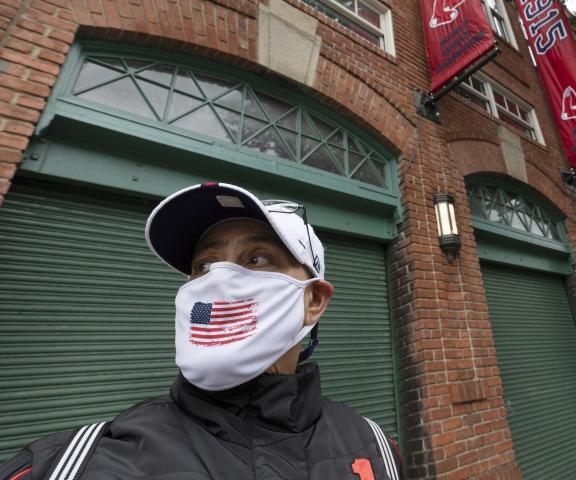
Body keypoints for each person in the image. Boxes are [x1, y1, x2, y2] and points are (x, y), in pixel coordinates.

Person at [0, 182, 404, 480]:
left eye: (258, 257)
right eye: (204, 265)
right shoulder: (71, 465)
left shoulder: (377, 449)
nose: (220, 278)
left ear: (314, 300)